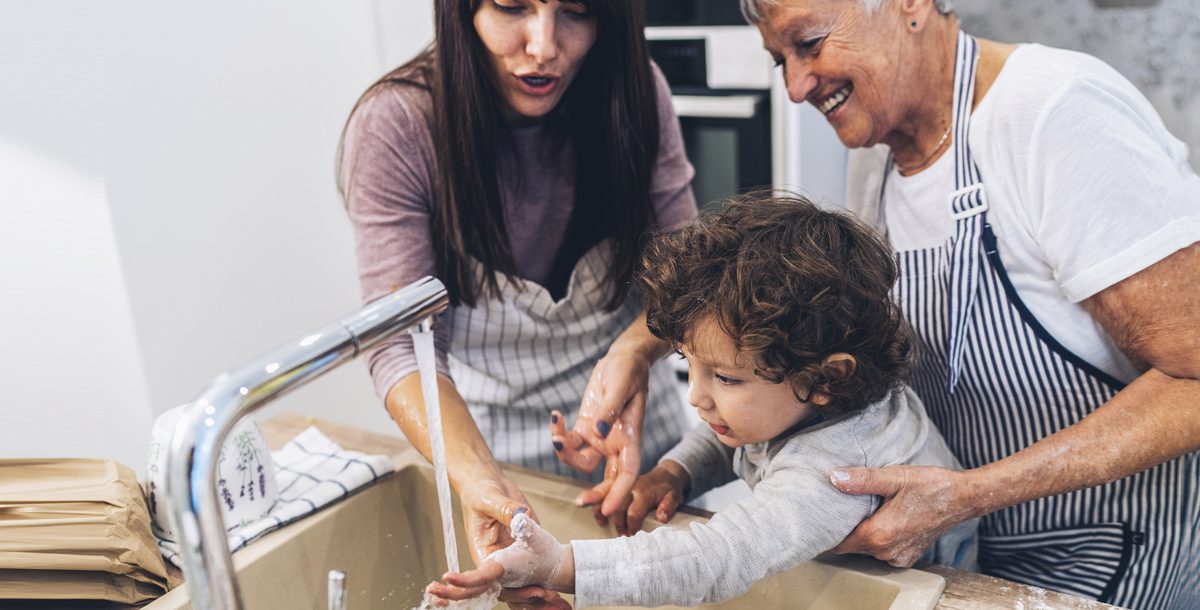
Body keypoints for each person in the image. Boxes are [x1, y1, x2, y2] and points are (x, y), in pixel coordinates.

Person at [700, 0, 1198, 608]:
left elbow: (1193, 375)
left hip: (1110, 552)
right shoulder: (876, 151)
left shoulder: (1056, 112)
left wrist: (969, 494)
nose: (797, 87)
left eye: (811, 44)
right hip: (957, 555)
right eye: (781, 60)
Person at [425, 193, 979, 608]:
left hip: (934, 592)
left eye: (727, 380)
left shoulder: (837, 473)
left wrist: (564, 564)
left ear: (826, 378)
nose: (697, 398)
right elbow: (746, 437)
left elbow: (718, 557)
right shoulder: (807, 397)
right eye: (691, 367)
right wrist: (677, 472)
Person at [337, 0, 696, 605]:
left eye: (576, 12)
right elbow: (399, 348)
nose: (544, 46)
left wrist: (635, 349)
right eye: (511, 7)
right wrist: (485, 485)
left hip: (640, 450)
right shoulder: (398, 124)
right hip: (488, 451)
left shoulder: (635, 92)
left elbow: (687, 276)